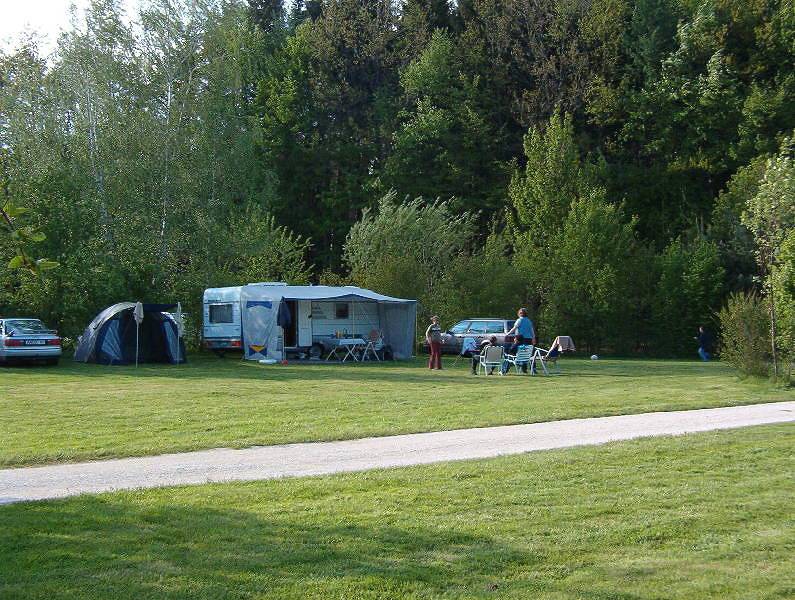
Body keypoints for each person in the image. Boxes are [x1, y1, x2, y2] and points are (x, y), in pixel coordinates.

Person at [505, 308, 536, 373]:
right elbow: (532, 331)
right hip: (528, 340)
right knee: (526, 353)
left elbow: (514, 328)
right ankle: (525, 369)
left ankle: (506, 368)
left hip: (520, 339)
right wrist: (533, 338)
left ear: (519, 313)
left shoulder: (519, 320)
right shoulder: (529, 321)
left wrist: (507, 334)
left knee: (510, 351)